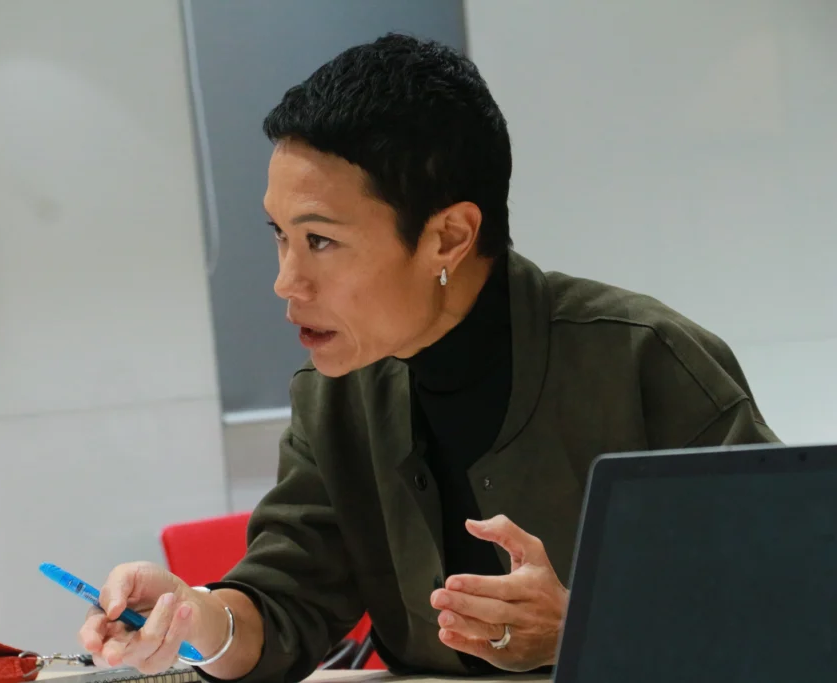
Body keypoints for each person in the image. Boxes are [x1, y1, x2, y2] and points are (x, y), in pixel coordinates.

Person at [78, 33, 779, 681]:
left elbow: (792, 600)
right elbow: (286, 604)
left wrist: (584, 629)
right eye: (280, 236)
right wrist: (192, 615)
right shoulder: (335, 394)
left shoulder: (644, 360)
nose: (286, 281)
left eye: (320, 240)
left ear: (448, 237)